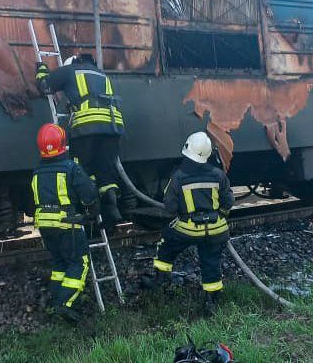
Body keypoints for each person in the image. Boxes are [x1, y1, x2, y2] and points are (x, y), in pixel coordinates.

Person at [146, 132, 234, 315]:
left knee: (167, 244)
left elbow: (170, 207)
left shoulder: (178, 176)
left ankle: (160, 280)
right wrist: (219, 214)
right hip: (216, 229)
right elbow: (228, 202)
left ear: (187, 149)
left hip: (188, 229)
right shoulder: (218, 175)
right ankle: (211, 302)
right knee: (211, 263)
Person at [36, 54, 125, 230]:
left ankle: (89, 213)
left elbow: (45, 85)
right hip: (112, 127)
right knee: (105, 172)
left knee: (83, 170)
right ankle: (111, 211)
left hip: (86, 127)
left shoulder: (70, 70)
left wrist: (41, 70)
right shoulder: (101, 74)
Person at [31, 123, 98, 323]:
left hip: (45, 225)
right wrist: (92, 211)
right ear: (62, 144)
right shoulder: (71, 168)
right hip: (66, 224)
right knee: (79, 263)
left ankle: (55, 301)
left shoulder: (37, 172)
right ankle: (64, 304)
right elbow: (88, 195)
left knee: (60, 263)